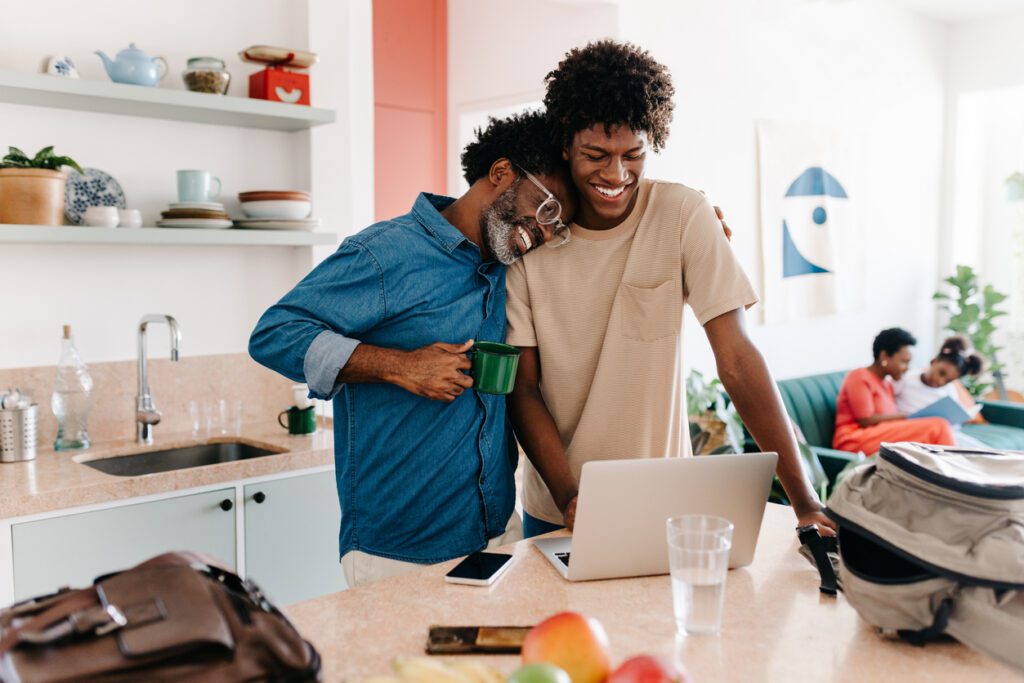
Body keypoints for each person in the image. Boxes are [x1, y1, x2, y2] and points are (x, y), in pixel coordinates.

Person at [505, 40, 834, 539]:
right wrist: (569, 497)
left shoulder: (683, 216)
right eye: (596, 155)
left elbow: (739, 360)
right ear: (566, 145)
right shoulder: (532, 238)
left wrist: (805, 502)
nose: (617, 175)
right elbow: (523, 388)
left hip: (661, 501)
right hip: (555, 509)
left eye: (633, 155)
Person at [248, 111, 576, 587]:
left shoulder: (510, 266)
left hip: (498, 535)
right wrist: (397, 366)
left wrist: (692, 220)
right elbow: (274, 333)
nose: (545, 233)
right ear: (501, 173)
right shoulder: (385, 253)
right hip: (397, 552)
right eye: (545, 209)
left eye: (557, 225)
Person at [833, 327, 955, 456]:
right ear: (884, 356)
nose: (907, 368)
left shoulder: (887, 384)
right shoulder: (858, 376)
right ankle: (955, 469)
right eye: (904, 362)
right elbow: (865, 420)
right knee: (938, 426)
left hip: (879, 436)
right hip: (854, 440)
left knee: (935, 432)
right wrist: (908, 415)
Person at [894, 336, 986, 447]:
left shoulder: (949, 389)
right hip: (915, 434)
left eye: (948, 380)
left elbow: (953, 425)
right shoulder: (906, 379)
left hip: (944, 435)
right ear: (934, 361)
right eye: (941, 373)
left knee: (983, 452)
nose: (940, 381)